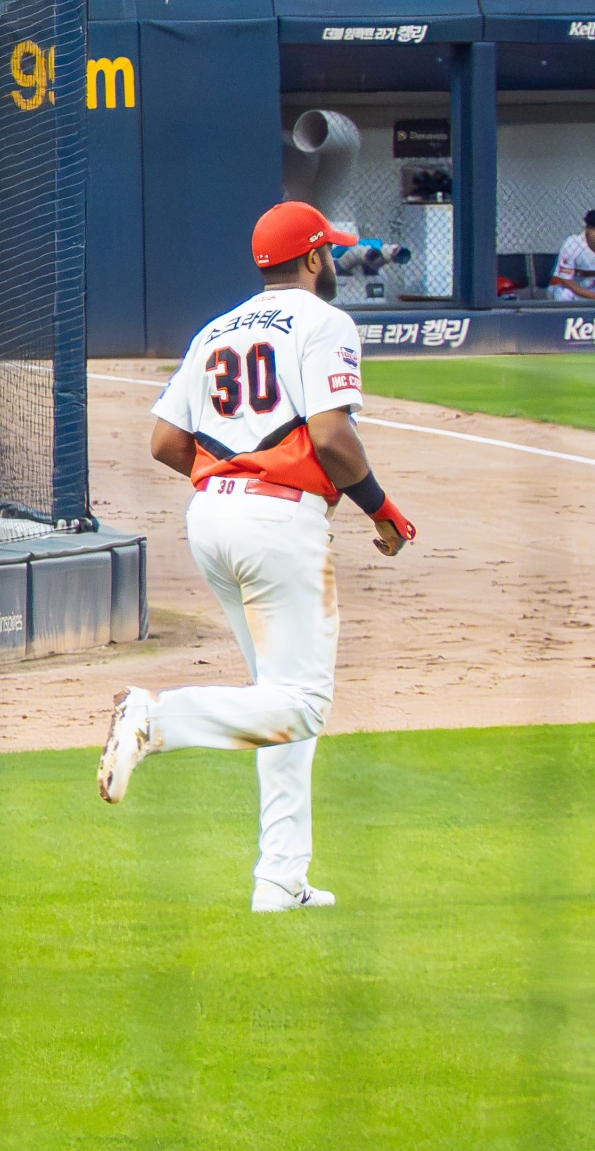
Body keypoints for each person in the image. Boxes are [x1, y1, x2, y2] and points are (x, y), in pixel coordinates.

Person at [105, 202, 416, 911]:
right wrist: (381, 509)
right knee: (302, 705)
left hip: (211, 519)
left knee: (276, 698)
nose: (332, 260)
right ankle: (155, 718)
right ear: (313, 257)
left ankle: (281, 878)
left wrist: (231, 478)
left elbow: (164, 442)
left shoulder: (217, 328)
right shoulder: (324, 321)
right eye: (328, 250)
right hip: (278, 523)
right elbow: (331, 435)